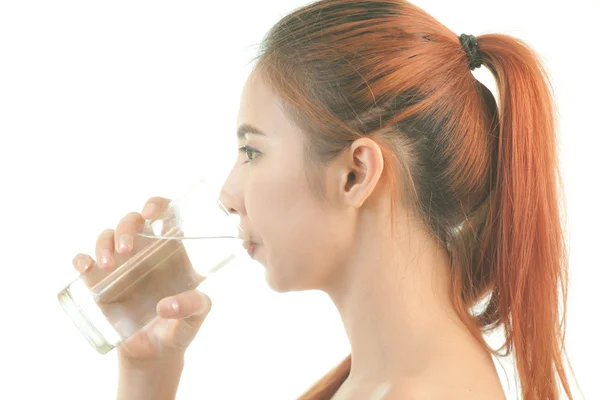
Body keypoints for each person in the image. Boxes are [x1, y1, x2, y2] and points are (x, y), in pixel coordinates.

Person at [70, 0, 576, 398]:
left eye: (252, 151)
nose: (229, 194)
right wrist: (148, 372)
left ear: (356, 174)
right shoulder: (381, 382)